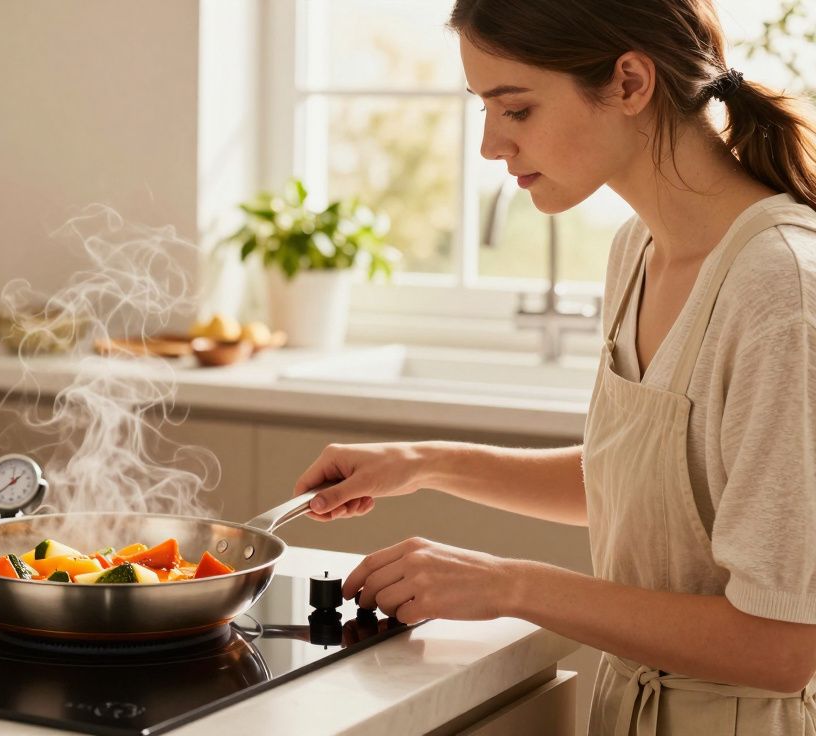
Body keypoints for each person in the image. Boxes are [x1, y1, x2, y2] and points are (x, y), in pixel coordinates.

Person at [291, 0, 816, 733]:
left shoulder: (780, 289)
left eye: (516, 109)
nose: (488, 146)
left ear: (630, 82)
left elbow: (783, 646)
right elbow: (650, 491)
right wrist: (423, 463)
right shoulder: (638, 250)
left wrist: (508, 584)